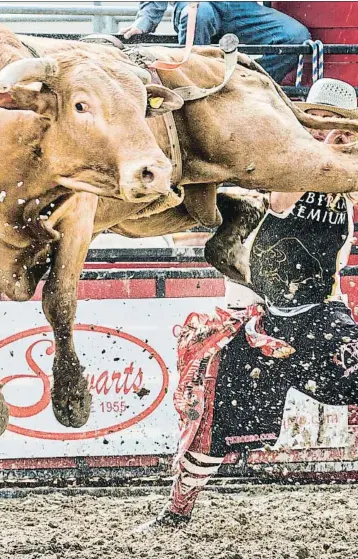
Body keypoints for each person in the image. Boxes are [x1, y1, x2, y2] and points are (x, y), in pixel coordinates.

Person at [135, 78, 358, 530]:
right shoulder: (282, 168)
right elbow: (288, 186)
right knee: (211, 412)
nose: (328, 141)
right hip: (261, 320)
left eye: (342, 134)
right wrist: (326, 143)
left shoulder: (349, 186)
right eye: (319, 129)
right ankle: (176, 511)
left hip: (321, 317)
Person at [119, 2, 310, 83]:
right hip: (198, 5)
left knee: (296, 36)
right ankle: (197, 90)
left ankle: (247, 83)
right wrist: (145, 20)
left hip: (242, 7)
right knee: (199, 16)